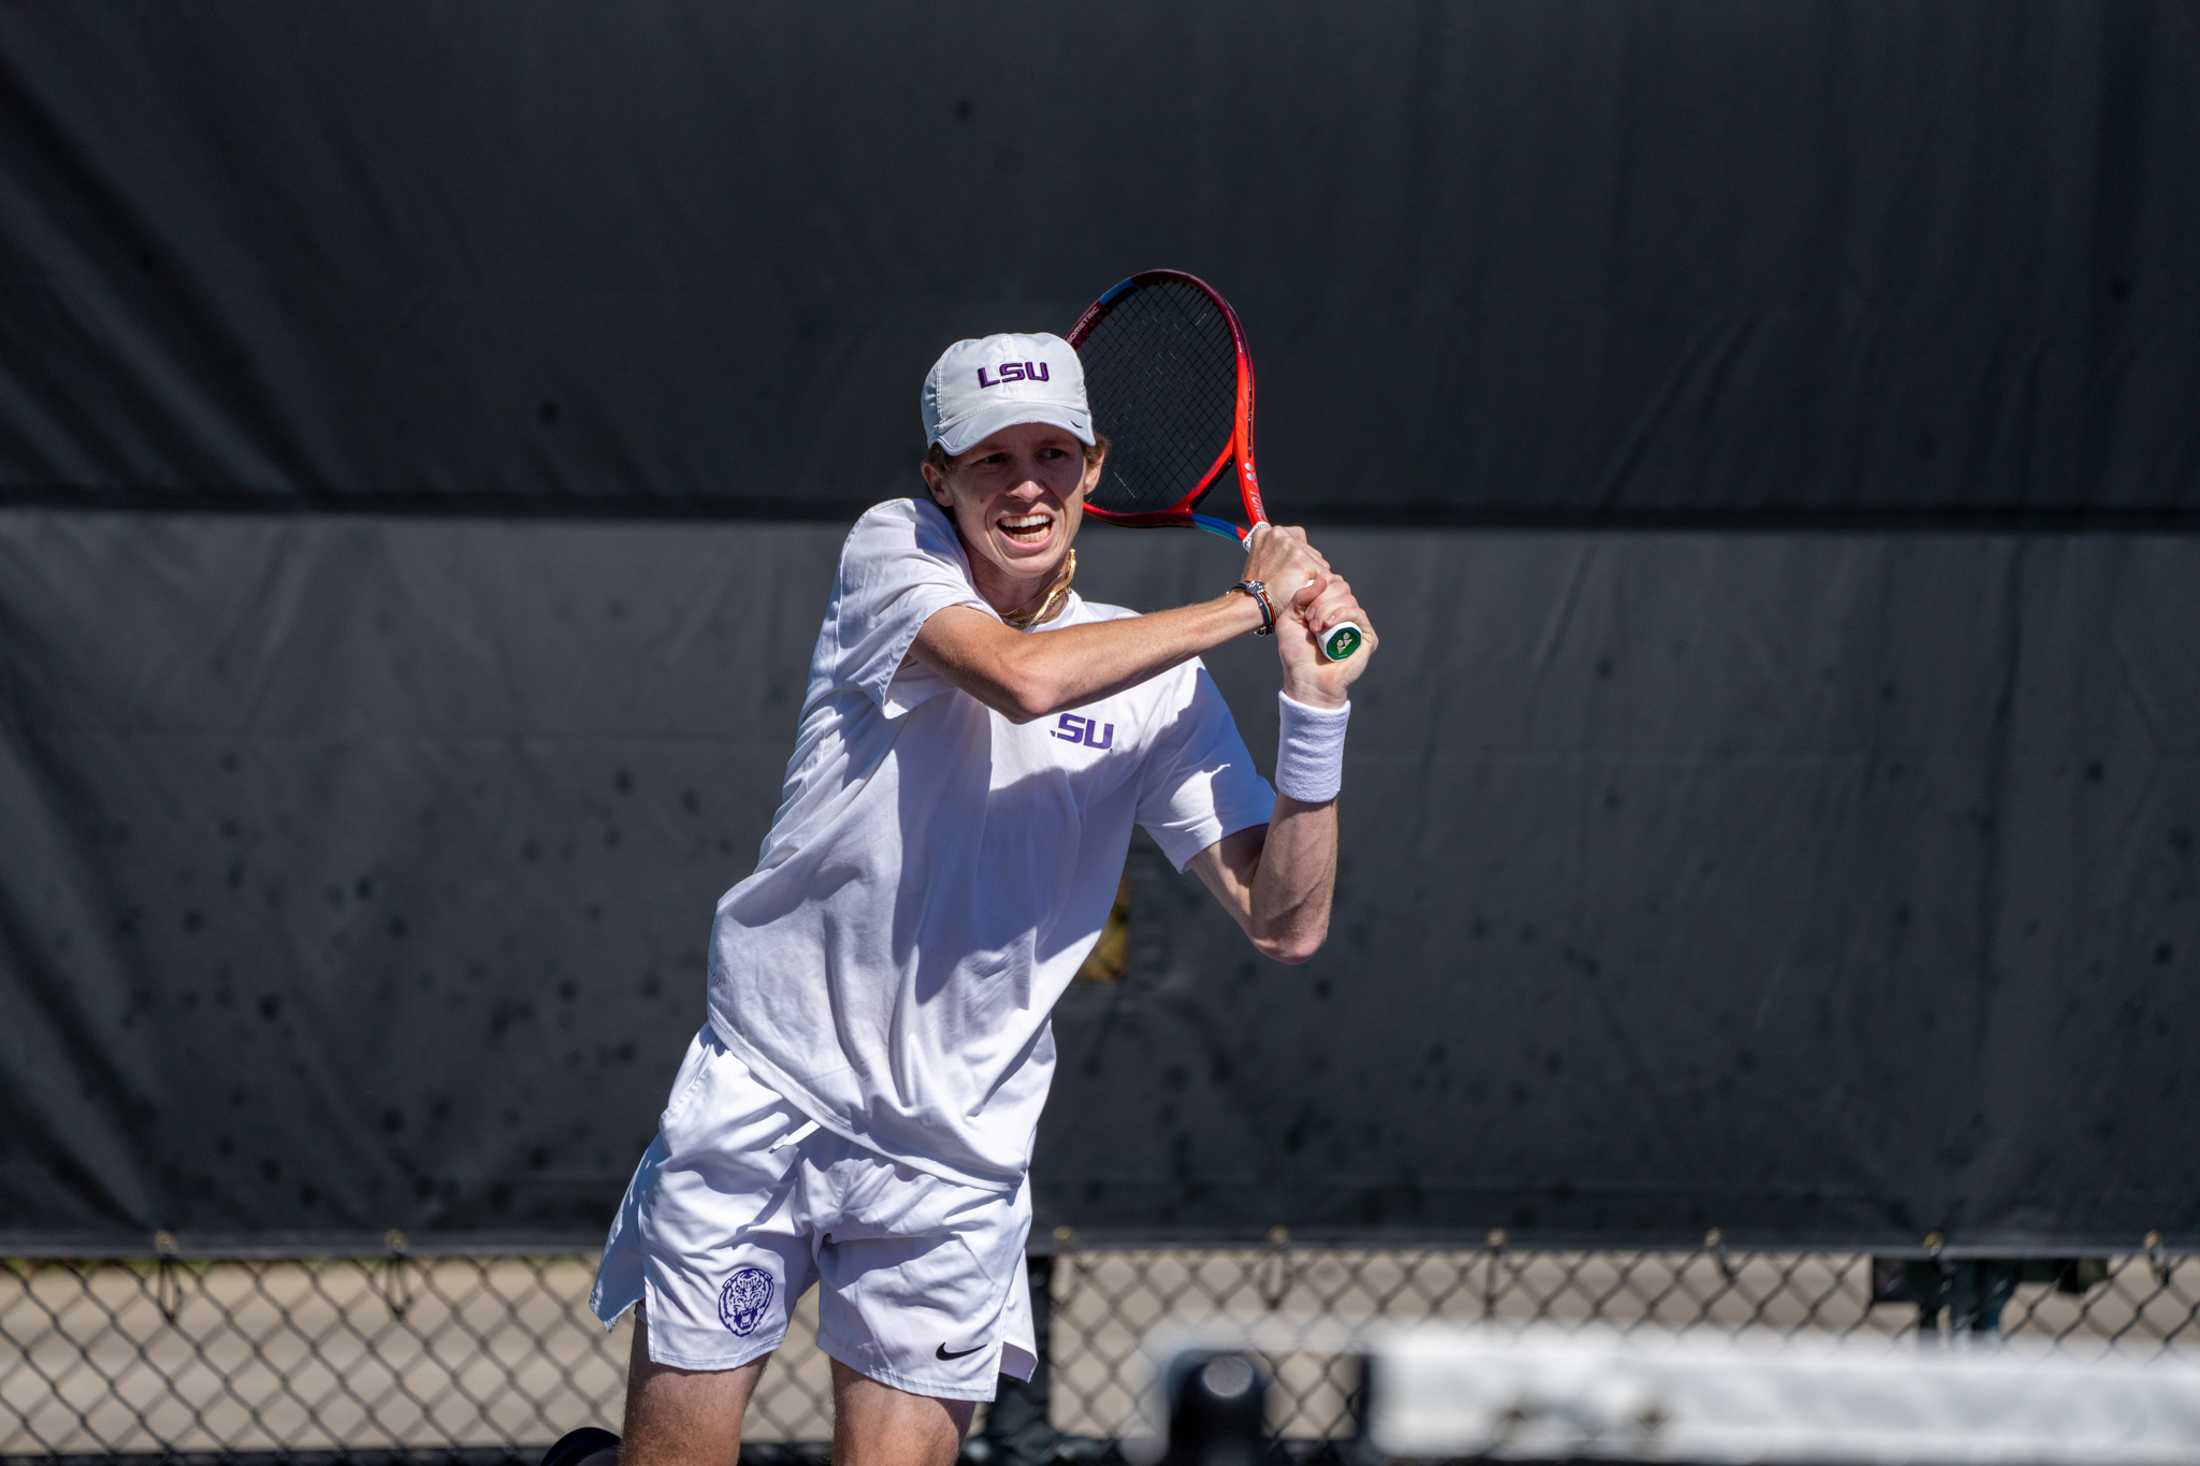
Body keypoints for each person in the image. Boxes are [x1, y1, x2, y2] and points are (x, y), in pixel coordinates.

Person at [549, 331, 1375, 1466]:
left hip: (954, 1156)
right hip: (768, 1093)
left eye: (1052, 452)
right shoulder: (891, 551)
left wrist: (1314, 710)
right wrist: (1250, 600)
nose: (1025, 483)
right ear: (937, 477)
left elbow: (1285, 920)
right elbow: (1023, 679)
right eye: (990, 459)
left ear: (1094, 465)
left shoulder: (1160, 686)